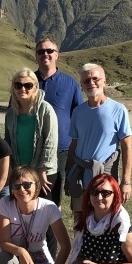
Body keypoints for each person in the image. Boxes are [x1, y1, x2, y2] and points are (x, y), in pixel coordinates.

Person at [3, 68, 59, 253]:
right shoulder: (12, 113)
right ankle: (24, 254)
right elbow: (9, 142)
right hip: (20, 173)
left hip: (42, 174)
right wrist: (11, 169)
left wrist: (42, 170)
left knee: (45, 217)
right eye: (18, 85)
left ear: (35, 87)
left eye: (28, 85)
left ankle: (49, 259)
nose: (23, 89)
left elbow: (51, 141)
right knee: (22, 214)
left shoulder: (45, 110)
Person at [65, 63, 132, 210]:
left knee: (105, 221)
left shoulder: (118, 110)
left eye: (95, 79)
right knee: (80, 220)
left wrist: (126, 182)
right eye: (86, 81)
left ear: (104, 81)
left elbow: (126, 146)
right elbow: (74, 145)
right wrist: (68, 176)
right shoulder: (78, 112)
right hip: (80, 177)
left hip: (105, 178)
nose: (91, 83)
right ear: (81, 85)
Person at [34, 38, 83, 209]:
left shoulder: (70, 84)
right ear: (36, 56)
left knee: (53, 194)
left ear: (57, 55)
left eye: (49, 51)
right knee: (29, 191)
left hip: (60, 150)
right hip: (31, 148)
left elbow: (79, 116)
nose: (45, 54)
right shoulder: (27, 82)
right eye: (41, 51)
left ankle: (50, 233)